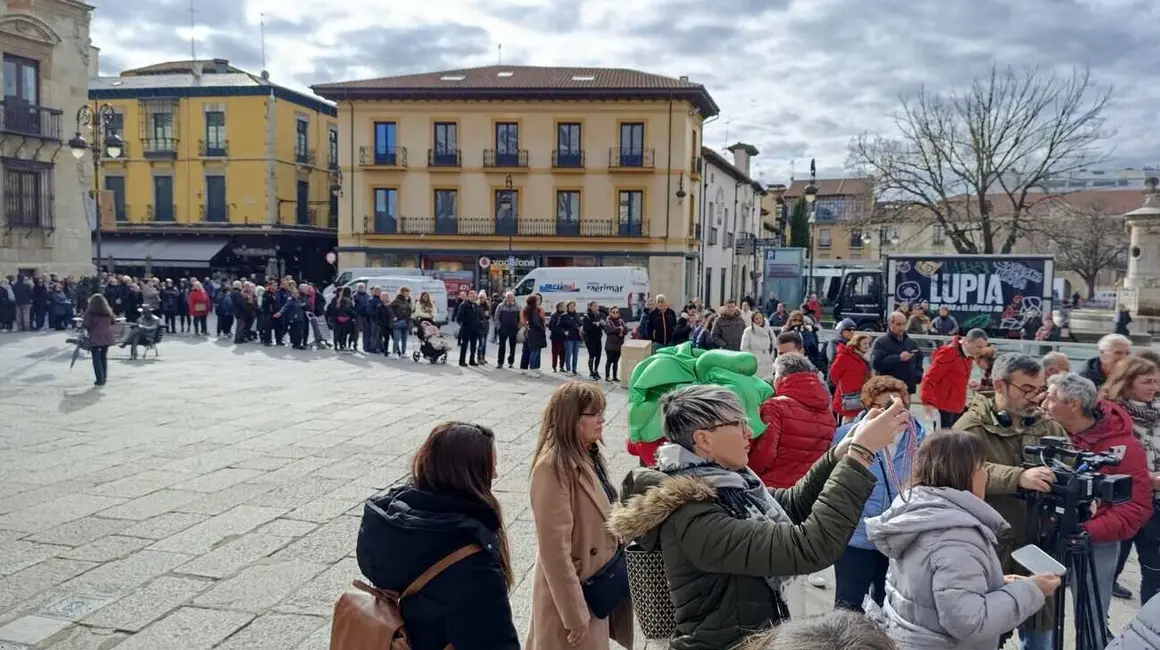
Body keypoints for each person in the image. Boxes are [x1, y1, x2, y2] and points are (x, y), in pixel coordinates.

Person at [609, 384, 909, 650]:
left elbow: (790, 506)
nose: (749, 432)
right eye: (737, 423)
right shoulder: (693, 515)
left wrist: (839, 455)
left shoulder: (729, 483)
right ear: (703, 440)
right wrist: (861, 455)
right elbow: (808, 547)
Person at [866, 430, 1055, 650]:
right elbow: (968, 621)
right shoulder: (955, 536)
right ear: (964, 475)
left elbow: (928, 587)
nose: (985, 475)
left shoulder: (919, 511)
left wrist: (996, 583)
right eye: (981, 467)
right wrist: (1033, 590)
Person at [355, 422, 520, 650]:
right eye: (490, 470)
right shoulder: (469, 556)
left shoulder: (387, 524)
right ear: (470, 476)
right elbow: (495, 641)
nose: (495, 474)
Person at [953, 353, 1067, 649]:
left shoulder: (1048, 426)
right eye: (1027, 389)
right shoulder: (971, 426)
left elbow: (1068, 462)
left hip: (1039, 548)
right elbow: (961, 471)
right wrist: (1017, 477)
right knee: (989, 636)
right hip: (992, 551)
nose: (1035, 397)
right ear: (1000, 385)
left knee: (1041, 635)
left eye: (1039, 389)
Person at [526, 382, 633, 650]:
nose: (601, 419)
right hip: (573, 595)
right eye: (593, 413)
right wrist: (573, 613)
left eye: (601, 412)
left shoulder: (589, 455)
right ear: (570, 419)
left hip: (594, 588)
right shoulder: (553, 467)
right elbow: (553, 550)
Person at [1042, 372, 1153, 626]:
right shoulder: (1049, 433)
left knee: (1090, 619)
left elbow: (1134, 507)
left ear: (1073, 404)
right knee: (1042, 618)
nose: (1044, 405)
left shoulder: (1124, 447)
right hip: (1047, 537)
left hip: (1094, 543)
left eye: (1050, 399)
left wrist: (1085, 532)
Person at [831, 376, 926, 612]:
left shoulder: (920, 441)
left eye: (899, 405)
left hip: (898, 541)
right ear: (869, 407)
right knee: (848, 609)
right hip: (856, 539)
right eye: (885, 407)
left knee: (890, 608)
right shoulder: (846, 435)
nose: (893, 413)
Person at [1105, 356, 1160, 602]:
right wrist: (1146, 478)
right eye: (1147, 381)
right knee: (1110, 569)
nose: (1154, 387)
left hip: (1156, 504)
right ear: (1127, 384)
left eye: (1157, 381)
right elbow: (1106, 459)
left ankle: (1151, 632)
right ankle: (1101, 631)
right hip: (1123, 502)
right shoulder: (1110, 415)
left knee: (1155, 571)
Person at [750, 355, 837, 489]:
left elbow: (763, 454)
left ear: (780, 377)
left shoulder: (774, 407)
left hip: (774, 489)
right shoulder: (827, 413)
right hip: (808, 489)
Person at [920, 328, 990, 428]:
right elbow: (930, 378)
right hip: (944, 406)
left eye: (983, 347)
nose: (981, 351)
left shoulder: (968, 356)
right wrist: (927, 402)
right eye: (979, 347)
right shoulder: (948, 353)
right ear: (968, 342)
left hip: (957, 406)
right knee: (944, 439)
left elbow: (955, 376)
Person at [871, 311, 923, 395]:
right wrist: (898, 358)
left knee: (904, 408)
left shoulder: (910, 342)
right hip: (888, 391)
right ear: (890, 324)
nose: (902, 327)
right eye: (898, 324)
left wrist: (917, 375)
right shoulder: (881, 342)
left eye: (904, 324)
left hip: (907, 390)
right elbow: (876, 363)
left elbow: (919, 356)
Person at [830, 332, 872, 422]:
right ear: (857, 343)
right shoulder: (845, 356)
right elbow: (833, 374)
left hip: (860, 394)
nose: (867, 346)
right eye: (864, 343)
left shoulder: (863, 357)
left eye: (868, 343)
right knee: (848, 419)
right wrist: (846, 385)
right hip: (848, 396)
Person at [82, 293, 116, 387]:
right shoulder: (108, 310)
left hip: (96, 336)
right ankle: (104, 377)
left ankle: (99, 379)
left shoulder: (90, 311)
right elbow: (113, 321)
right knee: (103, 357)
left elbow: (86, 324)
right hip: (107, 336)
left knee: (96, 359)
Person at [740, 311, 776, 380]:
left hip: (767, 360)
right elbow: (744, 348)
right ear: (753, 320)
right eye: (756, 318)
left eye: (760, 318)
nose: (759, 320)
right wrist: (751, 359)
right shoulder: (748, 331)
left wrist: (772, 356)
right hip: (755, 360)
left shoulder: (768, 330)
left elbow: (774, 344)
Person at [520, 295, 547, 376]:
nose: (538, 301)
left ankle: (534, 368)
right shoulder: (533, 310)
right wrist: (541, 328)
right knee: (534, 351)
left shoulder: (528, 309)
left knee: (535, 351)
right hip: (535, 333)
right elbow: (536, 323)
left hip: (531, 332)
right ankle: (531, 369)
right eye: (537, 300)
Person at [493, 292, 521, 369]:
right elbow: (496, 317)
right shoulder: (501, 306)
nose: (509, 299)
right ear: (505, 298)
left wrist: (518, 327)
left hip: (513, 329)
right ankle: (500, 362)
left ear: (513, 298)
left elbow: (520, 318)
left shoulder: (517, 307)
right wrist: (499, 327)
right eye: (508, 297)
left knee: (512, 347)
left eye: (511, 297)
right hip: (503, 329)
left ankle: (511, 362)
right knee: (501, 346)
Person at [455, 290, 481, 367]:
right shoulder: (463, 305)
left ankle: (472, 360)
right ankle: (462, 361)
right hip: (466, 328)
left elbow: (478, 316)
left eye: (475, 297)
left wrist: (479, 323)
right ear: (469, 297)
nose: (474, 298)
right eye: (472, 297)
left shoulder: (476, 305)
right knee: (464, 345)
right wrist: (465, 323)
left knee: (473, 346)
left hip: (475, 329)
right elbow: (459, 317)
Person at [603, 307, 627, 383]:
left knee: (616, 362)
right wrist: (620, 328)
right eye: (613, 312)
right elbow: (610, 329)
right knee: (609, 361)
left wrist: (621, 329)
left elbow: (626, 330)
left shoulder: (621, 321)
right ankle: (607, 377)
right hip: (610, 346)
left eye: (617, 312)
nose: (615, 313)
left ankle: (614, 377)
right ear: (610, 313)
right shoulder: (608, 321)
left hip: (618, 345)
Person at [581, 301, 604, 380]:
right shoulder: (586, 316)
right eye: (594, 306)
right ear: (590, 307)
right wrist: (595, 324)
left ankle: (596, 371)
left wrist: (602, 324)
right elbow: (586, 328)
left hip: (598, 338)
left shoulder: (598, 315)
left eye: (597, 306)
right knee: (592, 355)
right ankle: (591, 373)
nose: (596, 307)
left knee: (598, 355)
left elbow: (602, 326)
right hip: (590, 339)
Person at [389, 287, 412, 357]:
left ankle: (403, 353)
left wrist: (411, 305)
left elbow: (410, 311)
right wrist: (394, 317)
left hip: (406, 321)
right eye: (406, 291)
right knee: (397, 338)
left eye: (408, 291)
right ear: (402, 292)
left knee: (404, 338)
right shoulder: (397, 300)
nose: (408, 293)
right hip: (398, 321)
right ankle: (394, 353)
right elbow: (390, 308)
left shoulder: (408, 300)